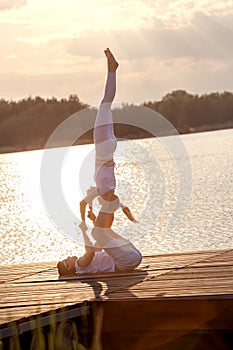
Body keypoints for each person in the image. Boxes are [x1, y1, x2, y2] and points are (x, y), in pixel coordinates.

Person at [57, 48, 142, 276]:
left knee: (101, 230)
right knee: (105, 103)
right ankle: (112, 70)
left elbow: (108, 220)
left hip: (108, 152)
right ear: (68, 268)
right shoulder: (79, 266)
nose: (68, 258)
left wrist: (92, 217)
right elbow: (90, 252)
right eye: (65, 261)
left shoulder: (106, 187)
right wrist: (86, 228)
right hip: (105, 151)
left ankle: (112, 70)